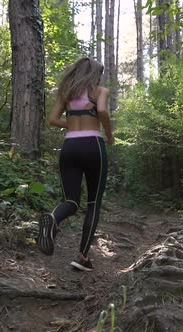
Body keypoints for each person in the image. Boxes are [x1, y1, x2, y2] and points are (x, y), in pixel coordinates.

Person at [37, 57, 113, 272]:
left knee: (70, 200)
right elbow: (102, 112)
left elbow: (52, 120)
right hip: (93, 146)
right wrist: (109, 134)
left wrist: (72, 124)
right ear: (94, 75)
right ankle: (82, 256)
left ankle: (53, 219)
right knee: (93, 203)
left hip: (69, 146)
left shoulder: (66, 94)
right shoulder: (100, 91)